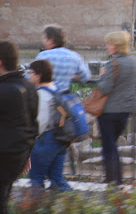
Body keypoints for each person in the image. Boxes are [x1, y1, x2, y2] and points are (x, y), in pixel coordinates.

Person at [96, 31, 136, 184]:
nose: (107, 47)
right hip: (126, 110)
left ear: (116, 46)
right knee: (112, 144)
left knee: (109, 147)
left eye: (109, 44)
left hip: (109, 111)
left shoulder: (112, 64)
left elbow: (105, 88)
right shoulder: (134, 61)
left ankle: (113, 180)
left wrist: (101, 76)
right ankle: (116, 179)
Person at [0, 41, 38, 214]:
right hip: (18, 155)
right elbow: (32, 124)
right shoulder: (29, 87)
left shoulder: (5, 90)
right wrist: (27, 153)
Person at [27, 59, 72, 192]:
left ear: (38, 75)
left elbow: (41, 123)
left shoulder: (42, 94)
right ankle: (76, 205)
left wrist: (30, 140)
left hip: (46, 141)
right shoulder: (55, 88)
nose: (29, 75)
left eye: (31, 72)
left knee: (36, 179)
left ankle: (34, 208)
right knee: (57, 178)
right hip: (61, 139)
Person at [36, 25, 91, 92]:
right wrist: (72, 76)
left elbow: (32, 77)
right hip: (64, 98)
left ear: (51, 41)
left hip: (46, 96)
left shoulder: (43, 56)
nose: (42, 41)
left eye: (44, 38)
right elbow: (85, 77)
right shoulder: (74, 56)